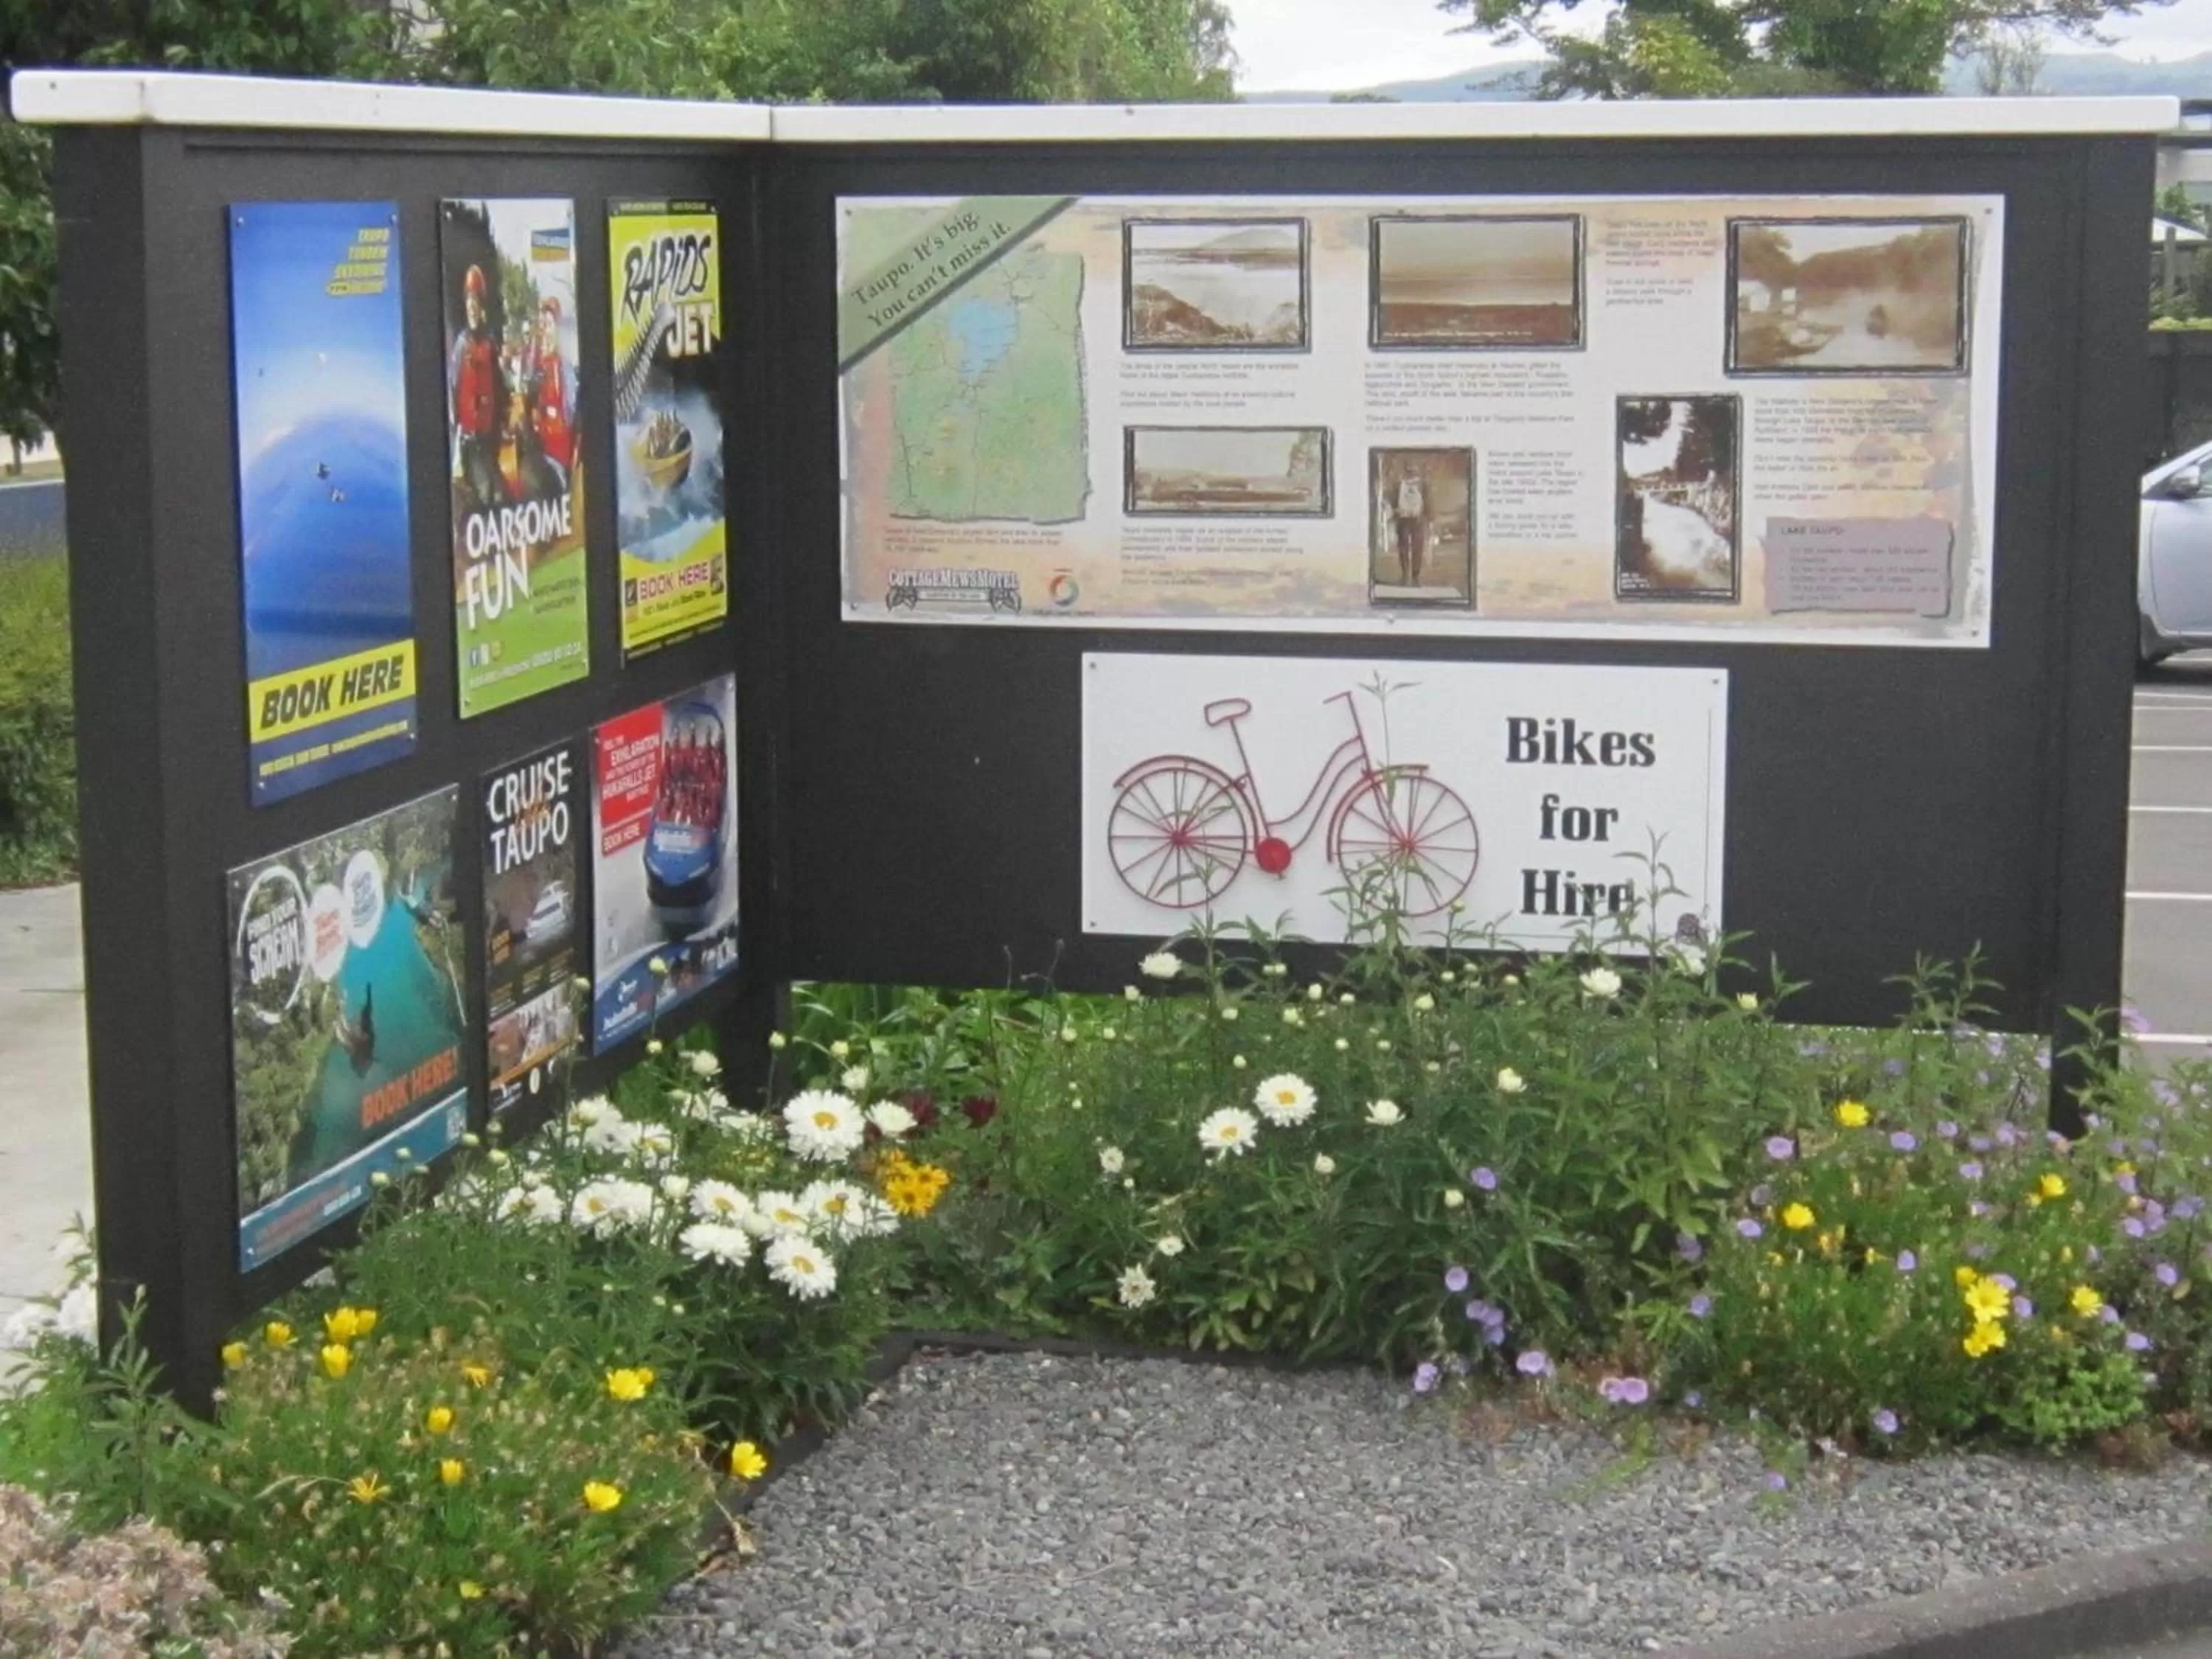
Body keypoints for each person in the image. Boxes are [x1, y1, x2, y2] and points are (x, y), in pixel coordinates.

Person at [448, 264, 506, 512]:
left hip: (490, 434)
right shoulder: (462, 345)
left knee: (499, 492)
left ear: (482, 306)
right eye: (468, 304)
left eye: (475, 303)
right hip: (470, 438)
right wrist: (456, 428)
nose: (471, 309)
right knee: (485, 492)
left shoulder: (491, 344)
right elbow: (452, 386)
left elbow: (499, 384)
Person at [1392, 465, 1428, 585]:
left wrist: (1429, 517)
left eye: (1414, 471)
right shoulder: (1399, 484)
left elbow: (1428, 500)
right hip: (1403, 519)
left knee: (1417, 548)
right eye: (1409, 471)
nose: (1412, 473)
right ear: (1406, 471)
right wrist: (1394, 510)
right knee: (1403, 548)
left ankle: (1416, 576)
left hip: (1417, 519)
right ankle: (1405, 575)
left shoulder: (1422, 484)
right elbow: (1393, 499)